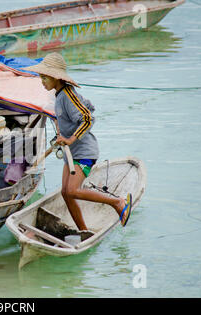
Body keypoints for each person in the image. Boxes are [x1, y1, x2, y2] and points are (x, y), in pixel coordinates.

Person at [23, 53, 132, 232]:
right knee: (66, 193)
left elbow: (88, 119)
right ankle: (83, 231)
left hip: (84, 152)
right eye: (41, 77)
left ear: (55, 77)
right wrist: (60, 131)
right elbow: (75, 112)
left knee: (73, 190)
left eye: (44, 77)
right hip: (71, 153)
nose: (42, 81)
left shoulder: (67, 94)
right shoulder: (58, 95)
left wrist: (70, 139)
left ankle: (117, 202)